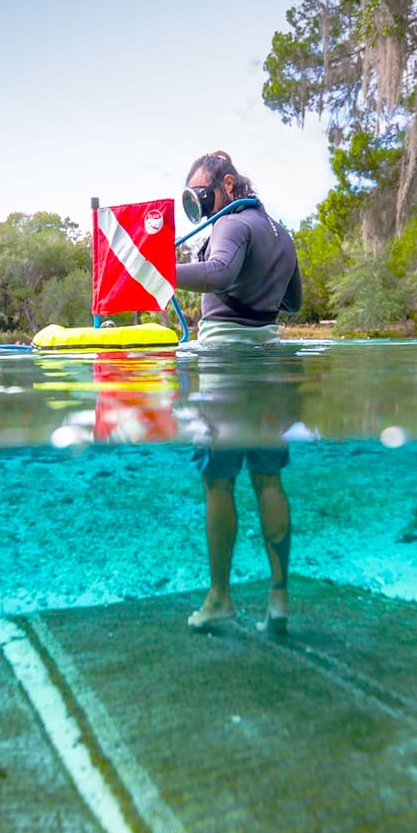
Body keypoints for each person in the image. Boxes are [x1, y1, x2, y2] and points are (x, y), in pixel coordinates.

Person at [175, 150, 302, 635]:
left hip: (226, 364)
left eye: (202, 195)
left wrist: (158, 269)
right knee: (269, 481)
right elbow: (294, 300)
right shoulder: (280, 231)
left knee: (219, 482)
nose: (203, 208)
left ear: (227, 184)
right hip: (269, 358)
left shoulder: (232, 221)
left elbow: (222, 273)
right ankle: (279, 599)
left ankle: (220, 598)